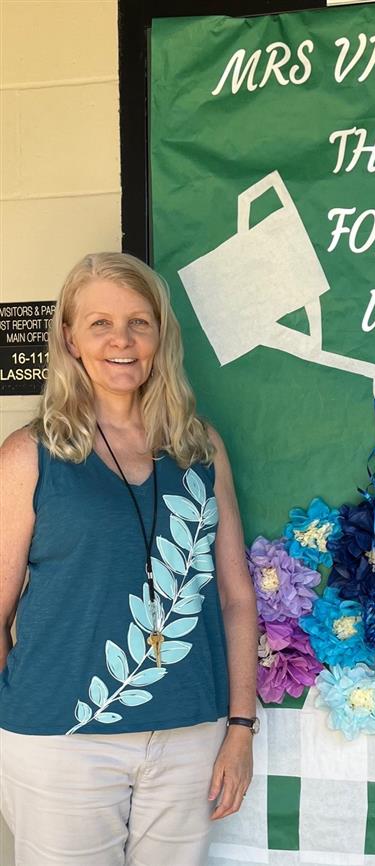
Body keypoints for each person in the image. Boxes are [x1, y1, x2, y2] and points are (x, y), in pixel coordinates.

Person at [0, 251, 260, 866]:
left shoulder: (200, 447)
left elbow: (235, 597)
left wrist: (240, 728)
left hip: (190, 733)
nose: (121, 340)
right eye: (100, 324)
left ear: (160, 335)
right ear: (69, 337)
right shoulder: (29, 455)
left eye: (138, 322)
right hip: (59, 739)